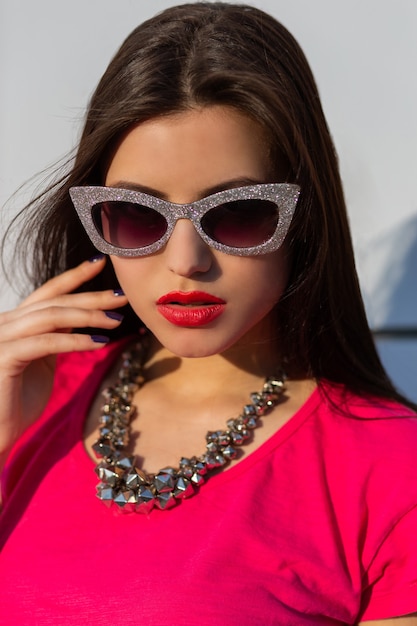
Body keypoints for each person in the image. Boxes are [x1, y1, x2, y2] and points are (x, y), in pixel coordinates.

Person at [0, 2, 416, 624]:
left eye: (239, 213)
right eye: (137, 215)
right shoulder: (26, 397)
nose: (187, 261)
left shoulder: (391, 469)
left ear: (302, 219)